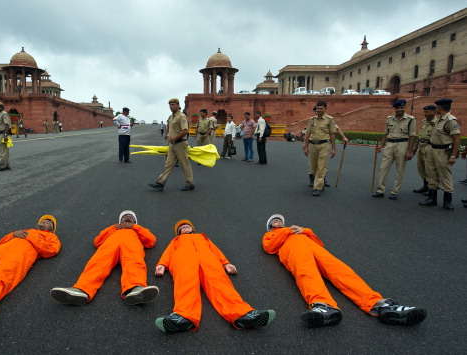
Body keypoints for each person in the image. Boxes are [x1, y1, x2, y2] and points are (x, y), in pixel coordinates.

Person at [262, 214, 427, 328]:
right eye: (274, 221)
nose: (278, 222)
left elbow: (318, 242)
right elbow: (269, 247)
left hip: (315, 250)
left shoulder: (298, 230)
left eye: (280, 220)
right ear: (270, 227)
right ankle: (323, 305)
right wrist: (289, 230)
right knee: (306, 272)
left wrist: (304, 230)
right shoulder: (270, 235)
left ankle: (381, 304)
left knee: (342, 272)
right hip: (294, 251)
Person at [154, 219, 275, 333]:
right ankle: (183, 317)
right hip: (184, 261)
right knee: (185, 284)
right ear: (178, 233)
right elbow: (168, 253)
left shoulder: (203, 237)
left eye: (187, 225)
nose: (185, 226)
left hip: (209, 260)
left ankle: (242, 314)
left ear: (193, 229)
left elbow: (215, 250)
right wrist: (161, 265)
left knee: (220, 283)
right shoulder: (176, 241)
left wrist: (226, 263)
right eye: (181, 227)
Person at [50, 211, 159, 306]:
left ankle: (135, 288)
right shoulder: (114, 229)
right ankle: (82, 290)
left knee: (134, 262)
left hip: (131, 246)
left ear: (135, 221)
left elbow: (151, 241)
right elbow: (97, 241)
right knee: (98, 263)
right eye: (125, 216)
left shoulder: (138, 229)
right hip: (110, 246)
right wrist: (113, 227)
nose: (128, 217)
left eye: (131, 217)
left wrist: (135, 227)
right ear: (120, 221)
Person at [420, 98, 461, 210]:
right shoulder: (440, 120)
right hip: (433, 149)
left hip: (443, 151)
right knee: (431, 173)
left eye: (437, 107)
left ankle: (447, 202)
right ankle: (432, 199)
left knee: (445, 176)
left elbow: (457, 139)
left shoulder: (451, 121)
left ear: (439, 108)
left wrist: (453, 156)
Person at [372, 99, 416, 200]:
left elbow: (412, 136)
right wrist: (381, 146)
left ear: (405, 108)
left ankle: (395, 191)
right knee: (383, 168)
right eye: (398, 108)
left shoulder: (411, 119)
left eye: (402, 107)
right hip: (390, 144)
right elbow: (385, 134)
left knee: (400, 169)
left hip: (402, 143)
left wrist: (409, 151)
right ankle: (380, 190)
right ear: (395, 108)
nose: (400, 109)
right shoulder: (389, 119)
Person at [148, 98, 195, 191]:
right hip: (172, 144)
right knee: (168, 164)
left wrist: (175, 138)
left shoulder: (181, 116)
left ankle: (190, 183)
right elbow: (169, 126)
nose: (171, 106)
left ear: (178, 105)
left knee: (185, 164)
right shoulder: (171, 117)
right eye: (170, 105)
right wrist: (167, 134)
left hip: (180, 144)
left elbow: (185, 130)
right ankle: (160, 183)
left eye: (173, 104)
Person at [302, 101, 336, 196]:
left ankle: (317, 187)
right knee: (313, 167)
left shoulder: (329, 120)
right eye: (317, 108)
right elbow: (307, 133)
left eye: (321, 109)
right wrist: (305, 145)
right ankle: (319, 183)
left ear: (325, 109)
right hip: (313, 145)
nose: (319, 110)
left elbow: (332, 135)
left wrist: (333, 149)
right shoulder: (312, 120)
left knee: (321, 167)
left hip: (324, 145)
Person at [412, 105, 438, 194]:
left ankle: (432, 189)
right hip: (421, 146)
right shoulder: (423, 122)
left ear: (434, 112)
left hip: (429, 147)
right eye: (424, 112)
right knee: (421, 168)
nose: (425, 114)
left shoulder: (437, 123)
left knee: (429, 169)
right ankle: (425, 186)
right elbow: (420, 136)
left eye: (427, 112)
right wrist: (415, 149)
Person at [0, 102, 12, 172]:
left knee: (2, 151)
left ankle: (2, 166)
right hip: (2, 134)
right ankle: (6, 165)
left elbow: (7, 124)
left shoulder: (4, 114)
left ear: (1, 107)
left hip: (3, 134)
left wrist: (5, 135)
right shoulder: (0, 115)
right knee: (5, 150)